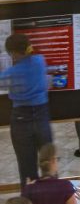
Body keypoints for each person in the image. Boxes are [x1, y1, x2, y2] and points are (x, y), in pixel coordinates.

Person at [0, 34, 51, 185]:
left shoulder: (11, 73)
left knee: (27, 168)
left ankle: (30, 199)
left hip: (21, 119)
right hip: (42, 116)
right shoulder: (40, 61)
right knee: (49, 164)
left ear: (13, 53)